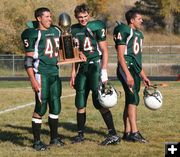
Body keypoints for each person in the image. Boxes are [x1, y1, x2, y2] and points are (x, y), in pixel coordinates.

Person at [70, 3, 120, 145]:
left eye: (85, 16)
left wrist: (103, 71)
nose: (83, 19)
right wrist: (73, 72)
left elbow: (104, 51)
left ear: (89, 15)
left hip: (95, 67)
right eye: (80, 17)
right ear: (76, 17)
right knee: (80, 102)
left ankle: (113, 134)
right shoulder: (73, 30)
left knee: (99, 102)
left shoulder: (96, 26)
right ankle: (80, 135)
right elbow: (74, 53)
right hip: (82, 68)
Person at [21, 7, 64, 151]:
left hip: (54, 73)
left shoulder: (56, 31)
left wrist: (78, 55)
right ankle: (37, 142)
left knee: (56, 106)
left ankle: (54, 138)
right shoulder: (33, 34)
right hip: (41, 74)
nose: (50, 19)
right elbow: (28, 61)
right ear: (39, 18)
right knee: (40, 107)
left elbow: (62, 51)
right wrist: (33, 79)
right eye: (46, 17)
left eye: (50, 16)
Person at [113, 9, 151, 143]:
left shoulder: (139, 34)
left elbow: (136, 59)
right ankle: (135, 132)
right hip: (126, 69)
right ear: (132, 20)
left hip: (134, 69)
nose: (142, 21)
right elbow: (120, 55)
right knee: (133, 99)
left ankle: (127, 132)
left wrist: (143, 75)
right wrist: (127, 74)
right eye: (139, 18)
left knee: (130, 100)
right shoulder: (124, 30)